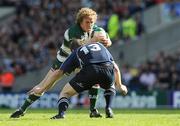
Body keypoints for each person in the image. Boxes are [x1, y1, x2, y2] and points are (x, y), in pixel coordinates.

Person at [10, 7, 112, 118]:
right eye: (87, 22)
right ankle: (22, 109)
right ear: (80, 22)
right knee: (44, 85)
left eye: (92, 22)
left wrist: (107, 41)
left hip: (81, 60)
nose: (90, 25)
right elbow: (79, 47)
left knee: (94, 79)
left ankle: (93, 110)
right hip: (64, 60)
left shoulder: (95, 29)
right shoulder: (72, 32)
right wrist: (95, 39)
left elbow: (107, 40)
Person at [50, 39, 128, 119]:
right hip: (107, 69)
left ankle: (61, 114)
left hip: (90, 70)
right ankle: (106, 108)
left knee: (65, 93)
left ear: (72, 49)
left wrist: (48, 83)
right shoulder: (99, 45)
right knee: (110, 86)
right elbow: (115, 67)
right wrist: (120, 85)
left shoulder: (76, 51)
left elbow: (61, 71)